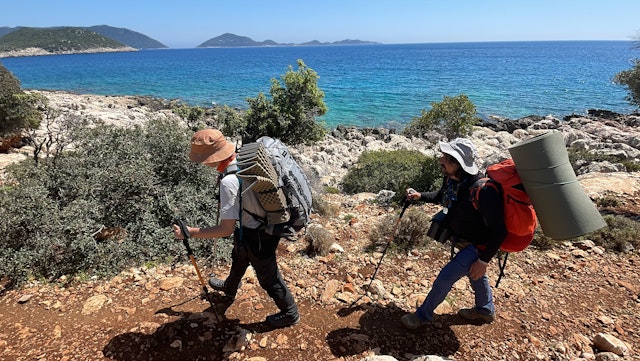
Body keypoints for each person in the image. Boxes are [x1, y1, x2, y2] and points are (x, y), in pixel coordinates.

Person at [172, 128, 300, 328]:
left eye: (203, 159)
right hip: (258, 226)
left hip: (260, 234)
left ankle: (290, 313)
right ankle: (230, 287)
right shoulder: (242, 160)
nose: (203, 163)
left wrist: (189, 232)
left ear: (210, 159)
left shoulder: (229, 181)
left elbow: (225, 230)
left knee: (268, 277)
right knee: (239, 254)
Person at [401, 138, 507, 330]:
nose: (440, 160)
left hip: (478, 245)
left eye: (445, 158)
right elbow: (442, 196)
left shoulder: (483, 191)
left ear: (457, 163)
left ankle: (422, 316)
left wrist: (483, 261)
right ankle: (485, 310)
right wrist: (420, 195)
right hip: (463, 240)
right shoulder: (452, 179)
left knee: (445, 278)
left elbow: (500, 231)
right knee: (475, 274)